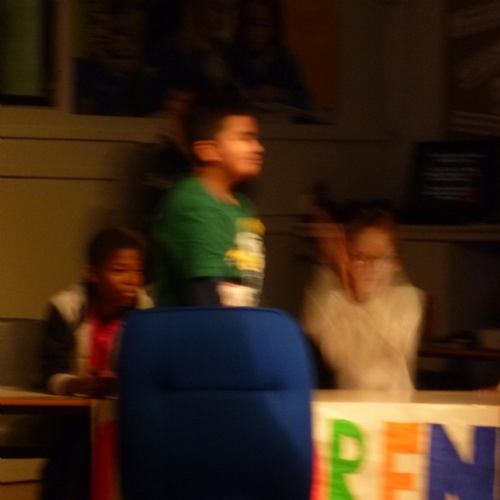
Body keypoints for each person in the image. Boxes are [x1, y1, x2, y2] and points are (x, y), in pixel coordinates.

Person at [39, 227, 154, 500]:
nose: (131, 280)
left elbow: (151, 369)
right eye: (119, 271)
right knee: (72, 456)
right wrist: (81, 385)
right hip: (73, 416)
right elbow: (50, 374)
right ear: (93, 273)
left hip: (126, 415)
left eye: (137, 271)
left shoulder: (146, 313)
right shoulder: (66, 308)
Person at [152, 94, 265, 307]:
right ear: (208, 150)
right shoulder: (193, 202)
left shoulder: (243, 206)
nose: (259, 148)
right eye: (245, 138)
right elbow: (206, 297)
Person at [301, 203, 425, 390]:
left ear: (396, 262)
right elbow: (331, 348)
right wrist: (329, 266)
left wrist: (365, 298)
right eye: (360, 257)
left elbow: (387, 350)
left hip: (396, 403)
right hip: (350, 404)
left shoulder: (408, 300)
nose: (371, 267)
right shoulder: (336, 302)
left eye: (380, 257)